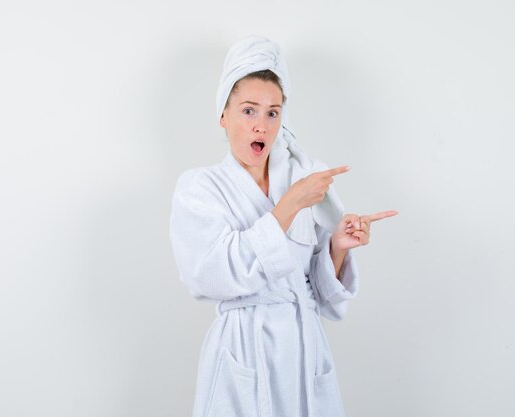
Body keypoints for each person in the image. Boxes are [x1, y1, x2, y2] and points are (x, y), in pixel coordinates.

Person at [169, 35, 397, 417]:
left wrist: (337, 247)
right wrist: (289, 206)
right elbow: (207, 276)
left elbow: (322, 295)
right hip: (244, 350)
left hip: (305, 351)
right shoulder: (199, 187)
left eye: (273, 113)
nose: (261, 125)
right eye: (248, 110)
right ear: (223, 116)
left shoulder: (302, 179)